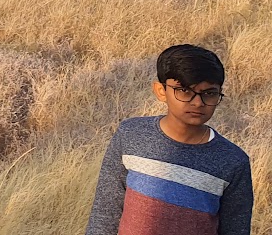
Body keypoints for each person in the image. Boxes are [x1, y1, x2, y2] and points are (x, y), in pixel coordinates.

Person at [86, 44, 253, 234]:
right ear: (161, 91)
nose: (198, 102)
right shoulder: (131, 134)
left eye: (209, 93)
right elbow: (106, 210)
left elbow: (236, 228)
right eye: (184, 91)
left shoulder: (233, 161)